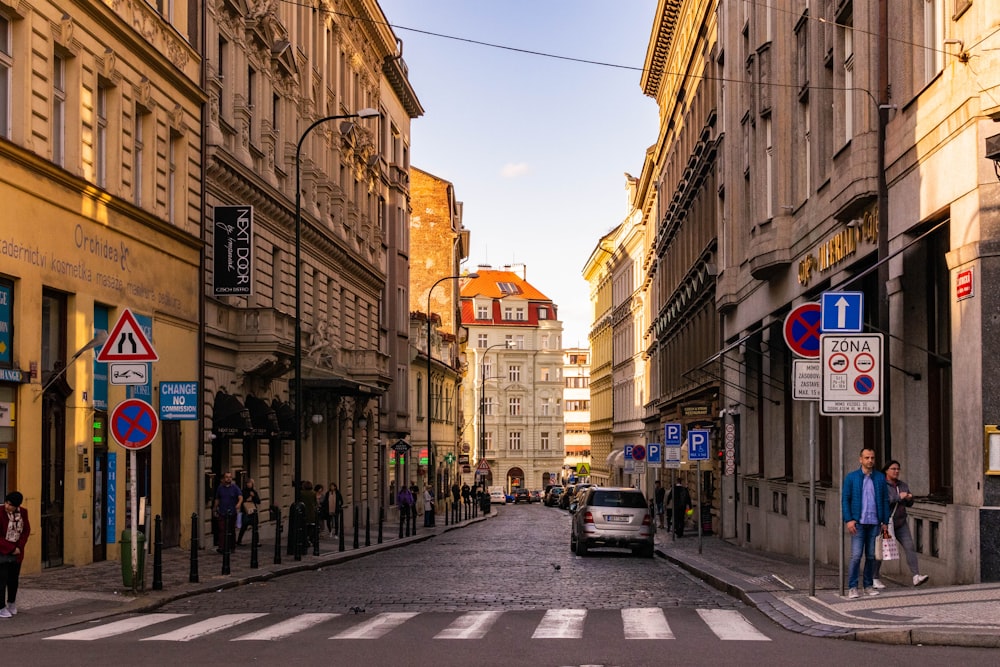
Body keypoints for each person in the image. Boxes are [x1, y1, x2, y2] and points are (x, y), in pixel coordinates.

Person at [842, 447, 890, 598]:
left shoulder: (880, 478)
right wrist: (849, 519)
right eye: (867, 458)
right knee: (856, 556)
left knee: (871, 555)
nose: (870, 461)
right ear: (860, 459)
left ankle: (868, 585)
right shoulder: (852, 477)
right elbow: (845, 499)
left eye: (872, 458)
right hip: (858, 522)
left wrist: (884, 520)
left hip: (874, 522)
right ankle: (852, 587)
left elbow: (884, 500)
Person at [873, 460, 929, 589]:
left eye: (898, 469)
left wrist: (909, 498)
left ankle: (916, 576)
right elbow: (882, 501)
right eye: (893, 469)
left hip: (900, 522)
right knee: (881, 548)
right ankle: (874, 577)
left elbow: (909, 503)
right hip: (885, 523)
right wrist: (899, 497)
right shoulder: (881, 485)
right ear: (886, 470)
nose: (896, 471)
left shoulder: (902, 485)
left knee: (909, 546)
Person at [0, 491, 30, 618]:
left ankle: (11, 603)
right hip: (2, 551)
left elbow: (26, 530)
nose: (7, 506)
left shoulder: (22, 512)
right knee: (1, 580)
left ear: (17, 506)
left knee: (13, 580)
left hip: (16, 552)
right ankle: (0, 607)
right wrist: (11, 548)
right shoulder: (0, 512)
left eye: (11, 505)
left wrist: (19, 547)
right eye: (6, 502)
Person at [213, 472, 243, 553]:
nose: (228, 478)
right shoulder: (220, 488)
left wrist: (239, 504)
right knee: (222, 529)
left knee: (231, 530)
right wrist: (215, 509)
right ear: (223, 478)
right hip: (222, 512)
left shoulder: (235, 487)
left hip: (232, 512)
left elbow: (240, 497)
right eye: (227, 477)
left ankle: (231, 546)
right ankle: (221, 547)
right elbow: (217, 499)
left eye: (230, 477)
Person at [237, 478, 261, 547]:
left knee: (255, 527)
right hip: (245, 512)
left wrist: (254, 496)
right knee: (243, 527)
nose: (249, 484)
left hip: (253, 511)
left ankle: (256, 541)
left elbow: (258, 501)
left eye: (250, 483)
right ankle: (239, 541)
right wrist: (246, 499)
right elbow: (240, 500)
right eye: (248, 483)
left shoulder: (254, 492)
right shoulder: (243, 491)